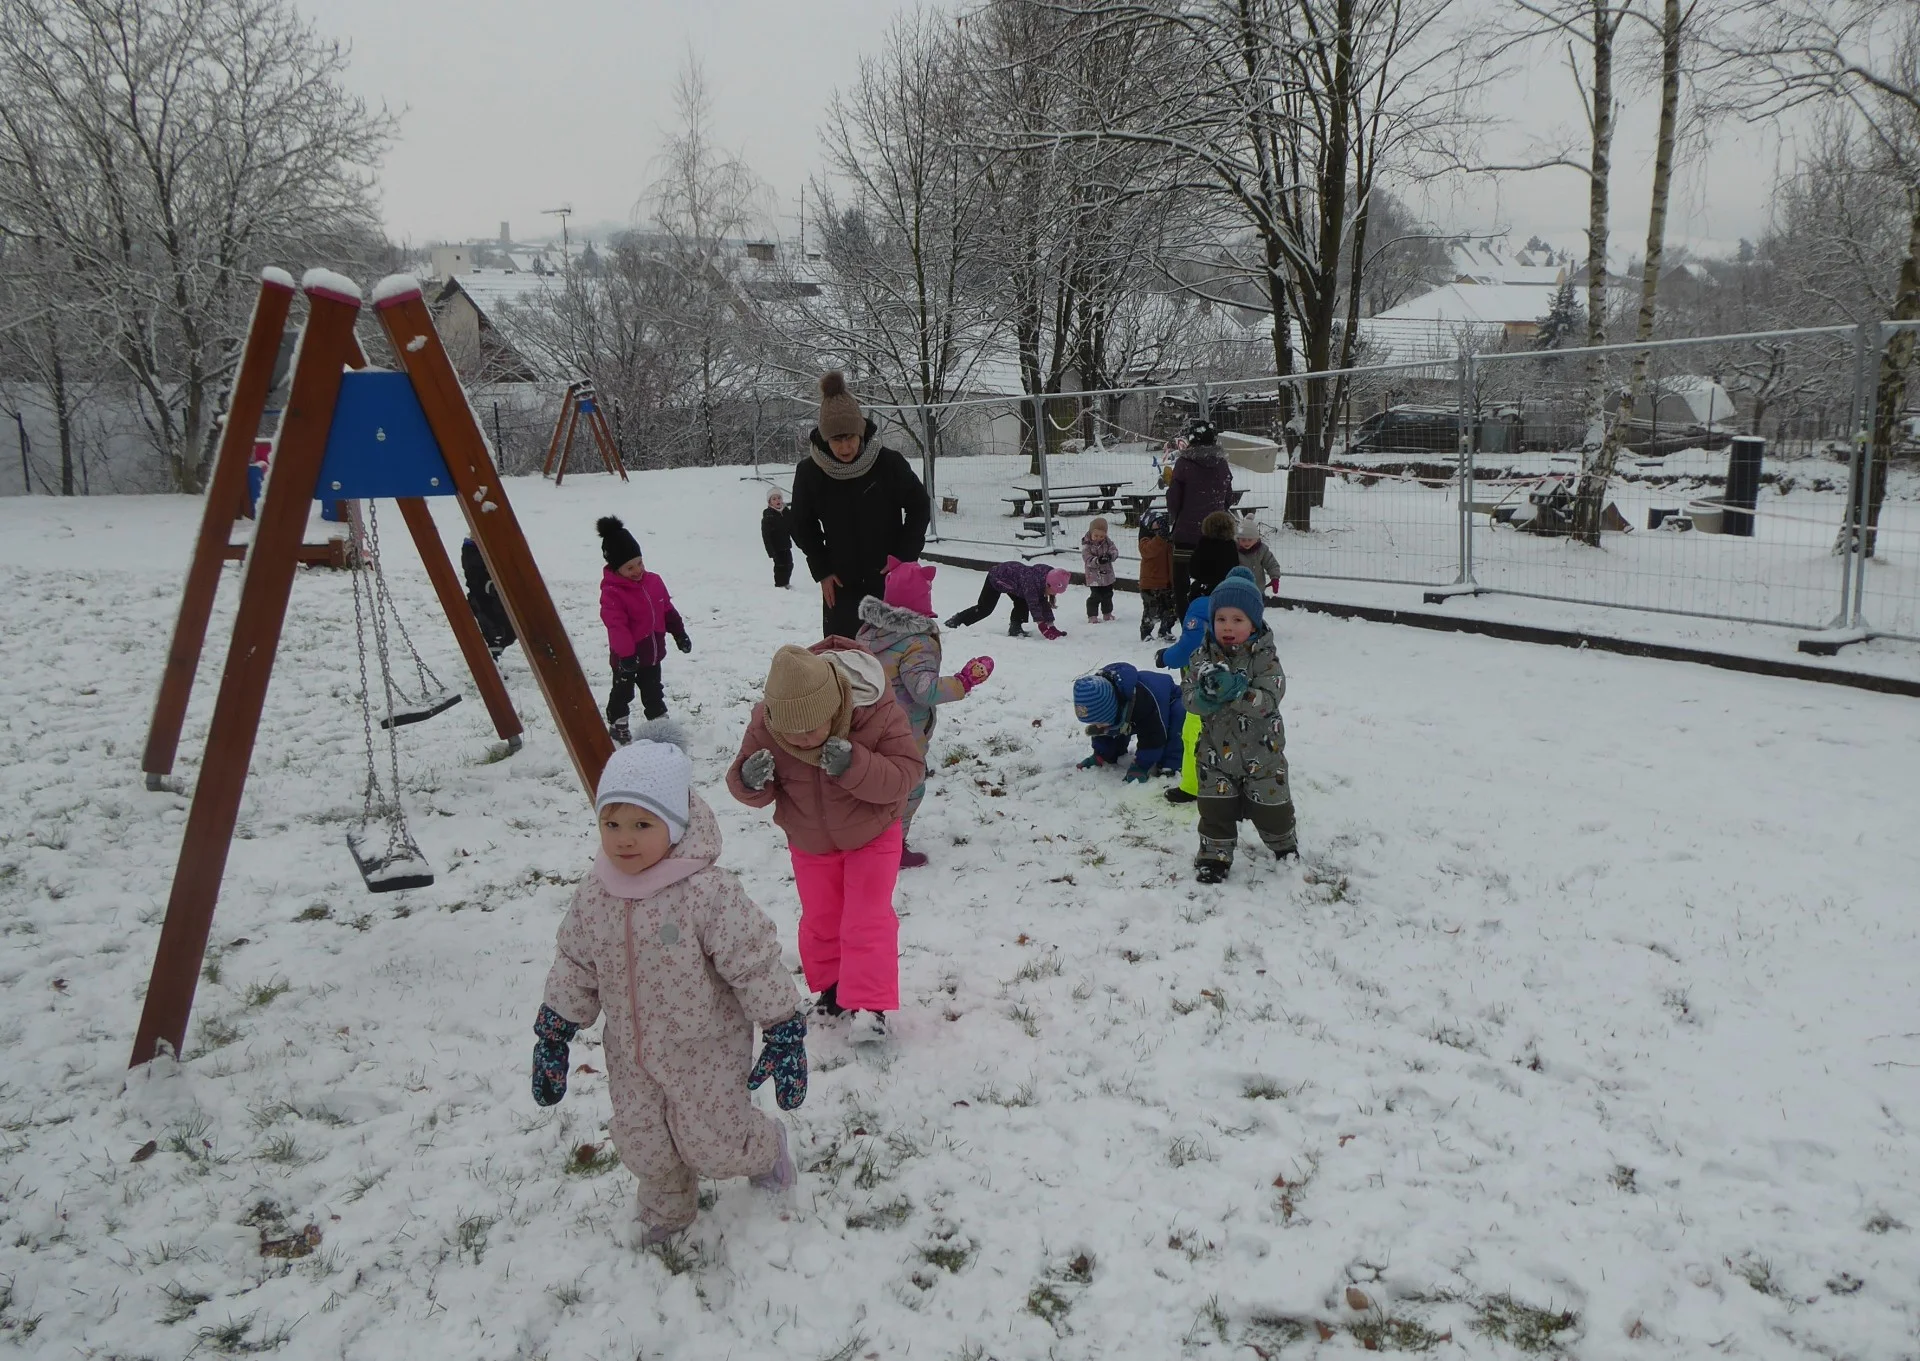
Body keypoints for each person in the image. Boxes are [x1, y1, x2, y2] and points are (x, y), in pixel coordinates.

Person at [531, 741, 807, 1246]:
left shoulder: (707, 893)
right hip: (631, 1054)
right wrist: (555, 1031)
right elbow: (576, 964)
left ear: (675, 826)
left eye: (642, 825)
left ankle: (765, 1148)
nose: (624, 841)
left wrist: (782, 1027)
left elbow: (753, 960)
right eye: (611, 824)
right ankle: (667, 1204)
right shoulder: (596, 893)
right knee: (643, 1141)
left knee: (716, 1143)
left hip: (704, 1050)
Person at [726, 641, 924, 1045]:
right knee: (821, 920)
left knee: (866, 919)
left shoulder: (875, 711)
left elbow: (907, 776)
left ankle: (871, 1006)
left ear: (835, 708)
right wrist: (749, 779)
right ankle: (833, 991)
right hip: (810, 841)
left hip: (872, 834)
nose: (799, 740)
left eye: (810, 729)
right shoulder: (768, 723)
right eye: (789, 732)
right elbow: (747, 787)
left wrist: (854, 765)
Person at [856, 558, 994, 869]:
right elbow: (925, 690)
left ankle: (862, 834)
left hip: (866, 723)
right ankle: (892, 847)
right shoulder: (917, 642)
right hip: (903, 731)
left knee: (873, 782)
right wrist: (964, 681)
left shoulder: (868, 632)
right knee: (908, 787)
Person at [789, 372, 931, 639]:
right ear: (825, 438)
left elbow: (919, 505)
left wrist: (904, 557)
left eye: (850, 437)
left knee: (891, 656)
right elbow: (801, 524)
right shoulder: (810, 472)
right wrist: (822, 570)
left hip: (889, 579)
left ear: (861, 432)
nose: (844, 447)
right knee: (845, 658)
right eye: (836, 440)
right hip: (841, 583)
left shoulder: (888, 464)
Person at [1181, 568, 1297, 882]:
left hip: (1263, 752)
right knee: (1214, 809)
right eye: (1221, 619)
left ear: (1254, 622)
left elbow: (1269, 699)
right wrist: (1204, 698)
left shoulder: (1265, 658)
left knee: (1272, 808)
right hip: (1216, 753)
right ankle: (1214, 857)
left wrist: (1236, 692)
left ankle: (1284, 845)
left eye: (1238, 620)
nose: (1228, 627)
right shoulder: (1200, 656)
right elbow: (1188, 695)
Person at [598, 517, 690, 746]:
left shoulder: (654, 581)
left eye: (640, 563)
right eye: (629, 567)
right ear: (616, 568)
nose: (637, 570)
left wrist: (679, 633)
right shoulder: (612, 593)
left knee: (653, 690)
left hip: (651, 652)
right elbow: (616, 627)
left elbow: (666, 609)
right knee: (623, 692)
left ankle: (659, 722)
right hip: (626, 656)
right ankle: (618, 724)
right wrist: (627, 656)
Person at [1072, 662, 1185, 784]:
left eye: (1099, 721)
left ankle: (1171, 764)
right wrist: (1102, 753)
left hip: (1169, 703)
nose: (1097, 726)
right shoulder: (1106, 695)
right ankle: (1106, 755)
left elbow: (1153, 737)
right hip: (1126, 708)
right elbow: (1107, 729)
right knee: (1111, 727)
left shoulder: (1144, 702)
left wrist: (1142, 765)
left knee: (1176, 722)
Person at [1166, 419, 1235, 601]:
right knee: (1217, 582)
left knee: (1181, 585)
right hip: (1216, 536)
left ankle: (1188, 623)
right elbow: (1228, 498)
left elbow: (1174, 500)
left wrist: (1176, 517)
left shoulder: (1183, 463)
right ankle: (1214, 621)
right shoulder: (1222, 464)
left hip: (1186, 535)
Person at [1155, 593, 1212, 807]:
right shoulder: (1232, 607)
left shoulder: (1200, 608)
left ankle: (1193, 787)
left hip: (1201, 697)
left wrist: (1164, 657)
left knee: (1192, 737)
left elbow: (1189, 645)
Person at [944, 561, 1071, 639]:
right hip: (997, 578)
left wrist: (1051, 625)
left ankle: (1015, 628)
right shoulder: (1032, 584)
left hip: (1015, 583)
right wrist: (1043, 627)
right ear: (1049, 584)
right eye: (1055, 591)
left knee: (1022, 601)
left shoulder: (1044, 578)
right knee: (985, 608)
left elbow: (1042, 602)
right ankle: (956, 621)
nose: (1055, 595)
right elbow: (1035, 605)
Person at [461, 537, 516, 659]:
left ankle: (494, 653)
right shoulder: (472, 551)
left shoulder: (495, 549)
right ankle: (491, 659)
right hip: (482, 599)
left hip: (498, 597)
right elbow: (474, 576)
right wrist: (490, 585)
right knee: (493, 631)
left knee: (509, 631)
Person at [1137, 510, 1178, 642]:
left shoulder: (1168, 541)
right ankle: (1146, 632)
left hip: (1167, 582)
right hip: (1150, 584)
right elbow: (1150, 551)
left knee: (1170, 609)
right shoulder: (1145, 541)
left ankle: (1165, 630)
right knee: (1151, 610)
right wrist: (1161, 537)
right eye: (1156, 525)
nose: (1159, 528)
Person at [1187, 510, 1241, 605]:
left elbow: (1193, 569)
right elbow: (1235, 567)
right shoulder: (1230, 545)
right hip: (1225, 590)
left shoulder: (1203, 543)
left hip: (1204, 590)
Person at [1081, 517, 1120, 623]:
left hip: (1107, 575)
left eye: (1102, 536)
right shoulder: (1087, 545)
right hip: (1094, 576)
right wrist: (1097, 560)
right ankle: (1092, 615)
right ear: (1091, 533)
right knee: (1096, 596)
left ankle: (1107, 613)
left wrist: (1110, 556)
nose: (1099, 538)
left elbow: (1115, 551)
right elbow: (1087, 559)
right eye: (1096, 536)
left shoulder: (1108, 542)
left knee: (1108, 595)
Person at [1234, 514, 1282, 594]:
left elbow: (1271, 563)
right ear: (1238, 539)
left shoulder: (1262, 550)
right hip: (1238, 589)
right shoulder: (1235, 551)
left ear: (1256, 539)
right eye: (1243, 540)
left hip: (1257, 589)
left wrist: (1275, 577)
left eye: (1250, 540)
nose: (1246, 542)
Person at [762, 489, 794, 589]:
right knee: (780, 566)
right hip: (776, 547)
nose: (777, 500)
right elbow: (766, 536)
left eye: (779, 498)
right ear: (770, 502)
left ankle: (786, 582)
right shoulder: (768, 515)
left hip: (786, 545)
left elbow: (792, 528)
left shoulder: (786, 512)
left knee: (789, 564)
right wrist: (770, 551)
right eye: (774, 499)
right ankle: (780, 584)